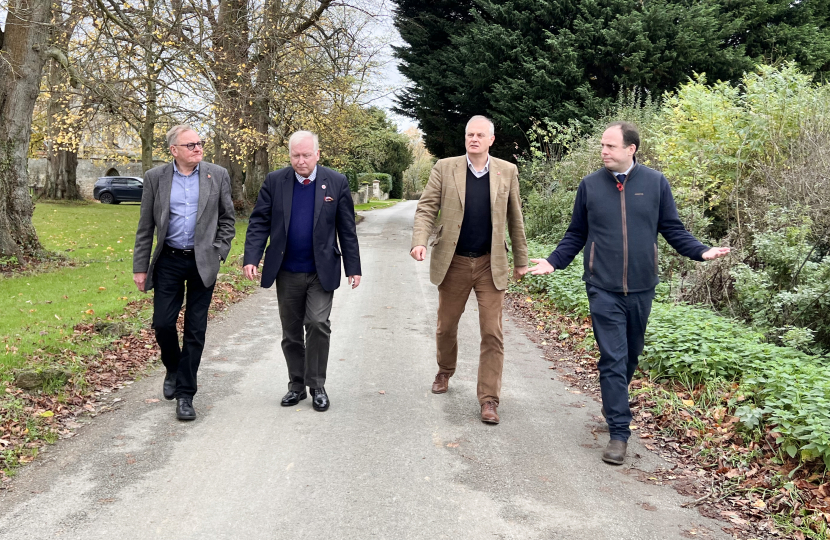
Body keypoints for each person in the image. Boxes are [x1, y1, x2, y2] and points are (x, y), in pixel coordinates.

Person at [528, 121, 730, 463]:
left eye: (610, 146)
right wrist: (553, 261)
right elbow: (576, 233)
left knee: (630, 355)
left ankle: (614, 405)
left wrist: (700, 251)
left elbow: (672, 229)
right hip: (602, 286)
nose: (604, 152)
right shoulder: (590, 186)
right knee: (613, 357)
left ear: (630, 149)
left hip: (641, 287)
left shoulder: (655, 183)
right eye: (603, 146)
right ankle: (619, 432)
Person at [411, 115, 529, 424]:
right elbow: (426, 207)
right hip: (454, 262)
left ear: (491, 139)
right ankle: (445, 369)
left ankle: (489, 399)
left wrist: (521, 260)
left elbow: (516, 219)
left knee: (492, 332)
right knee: (445, 326)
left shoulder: (507, 171)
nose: (473, 139)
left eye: (480, 135)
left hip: (491, 263)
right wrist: (419, 240)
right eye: (469, 134)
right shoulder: (445, 168)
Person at [243, 130, 361, 412]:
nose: (301, 161)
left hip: (322, 271)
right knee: (292, 332)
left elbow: (346, 229)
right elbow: (259, 222)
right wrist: (252, 257)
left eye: (306, 155)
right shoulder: (275, 182)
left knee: (318, 324)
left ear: (317, 154)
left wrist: (353, 267)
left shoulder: (336, 182)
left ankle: (317, 384)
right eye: (295, 155)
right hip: (287, 270)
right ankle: (296, 385)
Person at [133, 125, 236, 421]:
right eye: (190, 145)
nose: (197, 148)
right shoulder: (156, 178)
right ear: (174, 150)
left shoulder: (217, 174)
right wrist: (140, 267)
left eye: (199, 143)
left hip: (203, 261)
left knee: (195, 329)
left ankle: (185, 394)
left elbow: (228, 218)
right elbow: (145, 227)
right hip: (169, 260)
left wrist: (219, 250)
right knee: (163, 324)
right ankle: (174, 368)